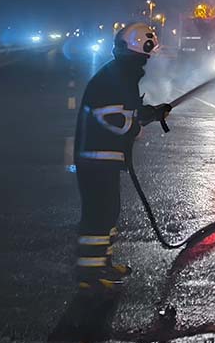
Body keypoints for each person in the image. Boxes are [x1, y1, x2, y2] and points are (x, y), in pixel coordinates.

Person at [73, 22, 172, 295]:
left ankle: (102, 265)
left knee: (108, 212)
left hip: (102, 157)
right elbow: (113, 117)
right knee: (98, 216)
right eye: (149, 52)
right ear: (142, 48)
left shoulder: (121, 73)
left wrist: (153, 112)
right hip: (97, 157)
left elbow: (129, 110)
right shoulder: (119, 75)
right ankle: (90, 276)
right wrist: (136, 128)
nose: (150, 58)